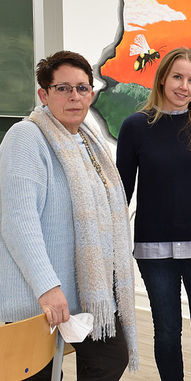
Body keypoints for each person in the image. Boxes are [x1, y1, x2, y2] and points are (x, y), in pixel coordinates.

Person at [0, 51, 137, 380]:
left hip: (88, 293)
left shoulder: (86, 141)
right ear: (43, 94)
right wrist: (48, 288)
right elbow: (19, 221)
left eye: (82, 87)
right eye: (63, 88)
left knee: (109, 358)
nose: (74, 96)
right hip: (37, 297)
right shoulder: (26, 137)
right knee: (39, 374)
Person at [116, 47, 191, 381]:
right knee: (167, 333)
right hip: (154, 252)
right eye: (178, 77)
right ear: (163, 78)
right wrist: (111, 245)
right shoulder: (135, 127)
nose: (184, 86)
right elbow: (120, 194)